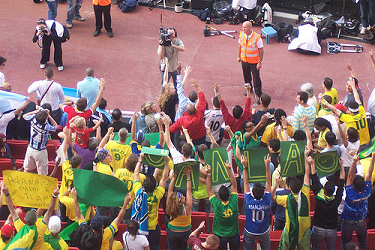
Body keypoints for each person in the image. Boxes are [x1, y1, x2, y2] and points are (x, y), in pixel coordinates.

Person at [272, 146, 311, 249]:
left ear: (289, 188)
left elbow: (271, 196)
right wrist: (306, 157)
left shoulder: (286, 198)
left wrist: (276, 184)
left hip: (289, 229)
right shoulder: (306, 193)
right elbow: (307, 174)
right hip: (305, 229)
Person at [2, 184, 59, 249]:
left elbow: (12, 210)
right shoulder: (40, 230)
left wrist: (7, 194)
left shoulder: (21, 228)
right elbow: (49, 212)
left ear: (24, 219)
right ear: (36, 220)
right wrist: (54, 196)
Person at [133, 153, 170, 250]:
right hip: (153, 229)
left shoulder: (138, 192)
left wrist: (140, 159)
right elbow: (164, 178)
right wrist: (166, 163)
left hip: (140, 228)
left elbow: (136, 174)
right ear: (155, 187)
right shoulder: (157, 195)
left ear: (143, 184)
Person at [321, 78, 370, 149]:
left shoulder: (348, 119)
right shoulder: (362, 111)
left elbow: (334, 109)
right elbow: (357, 99)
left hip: (358, 145)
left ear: (350, 111)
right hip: (367, 142)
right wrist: (353, 86)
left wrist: (323, 101)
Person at [309, 153, 345, 250]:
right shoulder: (337, 200)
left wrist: (312, 164)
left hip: (318, 229)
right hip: (331, 231)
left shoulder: (318, 195)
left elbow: (314, 178)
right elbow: (341, 182)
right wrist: (341, 166)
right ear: (334, 191)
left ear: (323, 190)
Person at [341, 153, 375, 250]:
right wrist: (373, 158)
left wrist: (353, 163)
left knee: (345, 242)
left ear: (353, 185)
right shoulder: (367, 191)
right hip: (361, 221)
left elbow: (350, 177)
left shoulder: (350, 193)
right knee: (362, 241)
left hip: (348, 221)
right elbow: (369, 173)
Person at [206, 161, 240, 250]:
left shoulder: (216, 204)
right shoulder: (234, 201)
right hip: (234, 235)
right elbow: (234, 184)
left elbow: (209, 190)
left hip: (220, 236)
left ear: (219, 196)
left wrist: (209, 174)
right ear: (229, 195)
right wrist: (229, 170)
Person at [242, 154, 272, 250]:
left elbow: (246, 182)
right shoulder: (267, 200)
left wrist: (245, 167)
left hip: (250, 230)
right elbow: (268, 181)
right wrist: (267, 166)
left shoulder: (249, 200)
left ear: (252, 193)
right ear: (263, 192)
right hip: (264, 230)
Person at [170, 80, 207, 146]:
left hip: (189, 141)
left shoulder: (181, 120)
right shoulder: (199, 114)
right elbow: (203, 101)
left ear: (187, 111)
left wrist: (166, 125)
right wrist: (198, 87)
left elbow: (172, 129)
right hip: (201, 139)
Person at [23, 108, 57, 175]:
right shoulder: (47, 127)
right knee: (42, 174)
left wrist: (36, 111)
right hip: (40, 151)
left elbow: (24, 116)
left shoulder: (33, 120)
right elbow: (56, 126)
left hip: (30, 148)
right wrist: (49, 116)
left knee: (26, 169)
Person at [166, 167, 193, 250]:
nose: (185, 197)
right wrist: (188, 177)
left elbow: (170, 190)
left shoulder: (169, 205)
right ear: (180, 202)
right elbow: (189, 190)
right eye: (183, 198)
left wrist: (173, 178)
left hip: (172, 231)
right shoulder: (187, 208)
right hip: (185, 232)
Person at [238, 21, 264, 104]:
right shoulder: (242, 35)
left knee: (256, 78)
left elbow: (261, 50)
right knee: (246, 76)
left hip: (254, 62)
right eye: (243, 27)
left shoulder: (257, 37)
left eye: (245, 27)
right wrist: (239, 56)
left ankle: (259, 94)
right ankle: (248, 89)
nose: (243, 29)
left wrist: (260, 62)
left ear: (250, 27)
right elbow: (240, 45)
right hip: (244, 60)